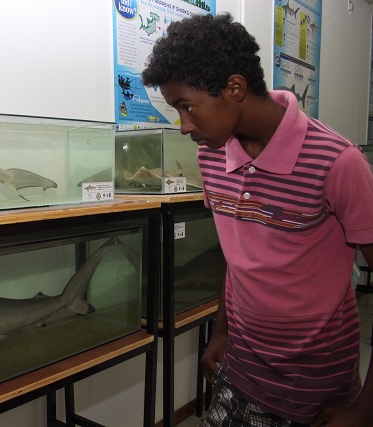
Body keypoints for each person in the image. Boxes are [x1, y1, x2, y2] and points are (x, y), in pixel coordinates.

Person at [141, 13, 373, 427]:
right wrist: (222, 332)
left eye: (187, 107)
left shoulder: (339, 163)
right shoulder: (210, 155)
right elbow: (239, 257)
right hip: (242, 366)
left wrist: (365, 409)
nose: (184, 126)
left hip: (316, 382)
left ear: (234, 88)